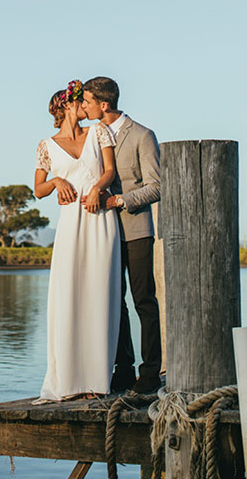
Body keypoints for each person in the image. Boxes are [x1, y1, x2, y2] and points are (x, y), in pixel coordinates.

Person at [34, 79, 121, 401]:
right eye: (79, 102)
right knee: (68, 294)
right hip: (70, 223)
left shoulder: (99, 133)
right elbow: (37, 190)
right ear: (66, 106)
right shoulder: (46, 145)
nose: (84, 106)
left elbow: (109, 170)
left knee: (100, 294)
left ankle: (97, 381)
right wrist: (57, 180)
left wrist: (98, 188)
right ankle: (68, 381)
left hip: (99, 217)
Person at [82, 76, 162, 394]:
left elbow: (157, 186)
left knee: (144, 300)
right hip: (104, 234)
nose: (82, 107)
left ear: (103, 104)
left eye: (87, 101)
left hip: (137, 230)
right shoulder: (90, 137)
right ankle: (123, 370)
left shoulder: (143, 135)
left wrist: (118, 200)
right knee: (115, 303)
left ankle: (152, 373)